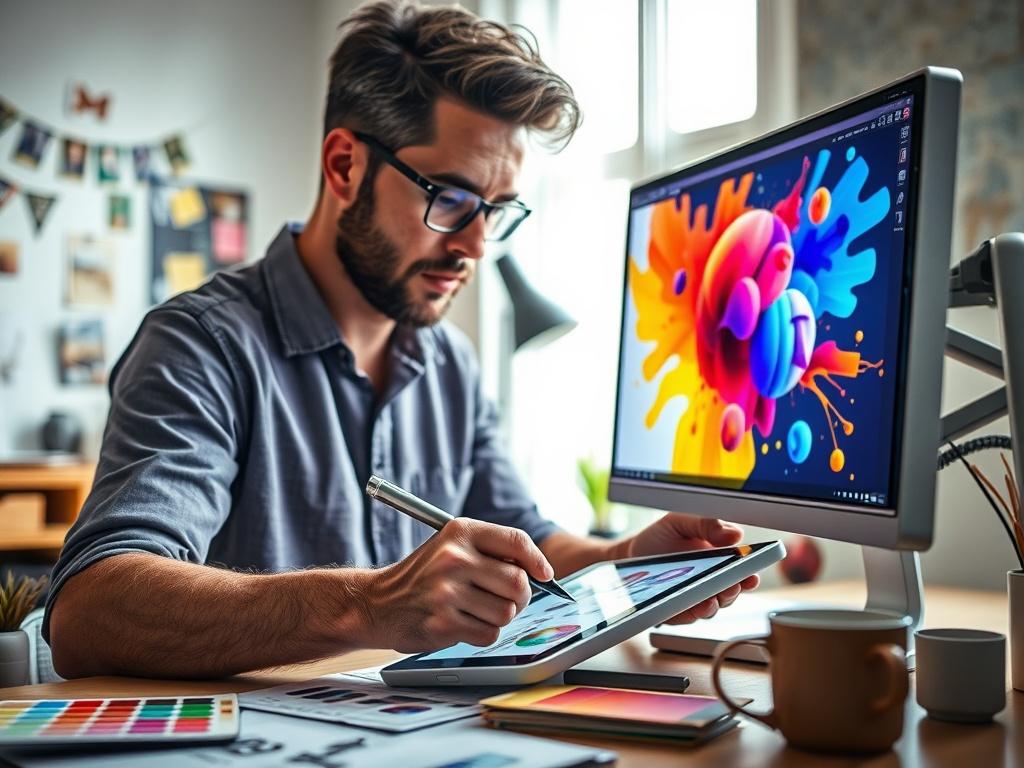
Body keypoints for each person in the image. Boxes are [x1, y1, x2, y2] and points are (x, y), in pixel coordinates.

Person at [46, 0, 758, 679]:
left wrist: (632, 559)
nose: (478, 246)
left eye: (498, 211)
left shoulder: (448, 363)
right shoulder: (202, 346)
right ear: (344, 165)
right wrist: (369, 606)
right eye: (449, 199)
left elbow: (531, 546)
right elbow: (90, 612)